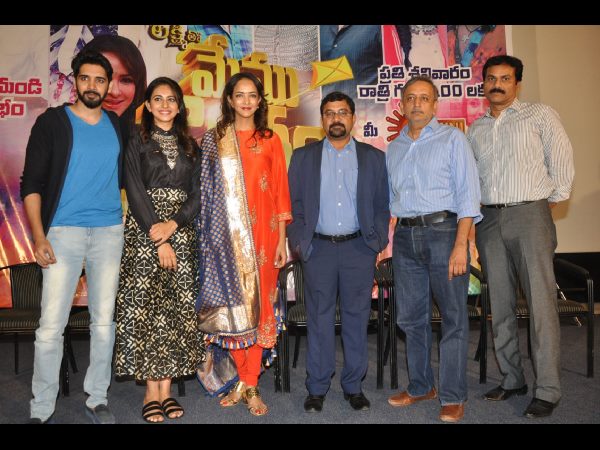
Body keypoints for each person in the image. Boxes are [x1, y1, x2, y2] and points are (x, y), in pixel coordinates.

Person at [467, 55, 575, 419]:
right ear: (484, 84)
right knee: (500, 305)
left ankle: (548, 389)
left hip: (530, 214)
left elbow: (562, 163)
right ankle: (512, 378)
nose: (497, 84)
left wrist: (542, 204)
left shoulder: (540, 115)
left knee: (541, 306)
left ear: (517, 84)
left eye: (505, 78)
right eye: (491, 78)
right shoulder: (476, 128)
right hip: (489, 220)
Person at [21, 50, 124, 424]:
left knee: (104, 322)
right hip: (62, 233)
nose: (92, 85)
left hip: (109, 232)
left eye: (100, 79)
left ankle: (97, 398)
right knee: (51, 325)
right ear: (74, 81)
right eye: (86, 78)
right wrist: (39, 236)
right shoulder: (52, 122)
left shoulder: (117, 124)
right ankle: (41, 407)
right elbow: (31, 184)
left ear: (108, 85)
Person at [386, 75, 481, 423]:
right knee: (411, 318)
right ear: (401, 104)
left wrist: (461, 245)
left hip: (445, 233)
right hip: (405, 237)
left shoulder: (453, 139)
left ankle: (453, 396)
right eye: (411, 98)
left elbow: (469, 196)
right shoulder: (394, 148)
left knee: (453, 318)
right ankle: (421, 385)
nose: (417, 104)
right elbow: (391, 199)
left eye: (424, 98)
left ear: (435, 105)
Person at [287, 91, 390, 413]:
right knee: (319, 319)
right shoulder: (303, 157)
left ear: (352, 118)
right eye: (330, 113)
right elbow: (294, 206)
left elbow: (382, 206)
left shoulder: (373, 158)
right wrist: (300, 242)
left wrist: (376, 242)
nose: (336, 118)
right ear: (322, 119)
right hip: (318, 249)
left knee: (356, 319)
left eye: (342, 112)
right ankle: (317, 387)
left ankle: (353, 386)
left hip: (359, 249)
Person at [196, 72, 291, 417]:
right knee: (234, 308)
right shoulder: (214, 140)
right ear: (229, 100)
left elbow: (280, 191)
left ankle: (250, 384)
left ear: (260, 100)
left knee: (260, 308)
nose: (247, 101)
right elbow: (205, 195)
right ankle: (243, 381)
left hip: (265, 238)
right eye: (240, 95)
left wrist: (282, 240)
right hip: (225, 240)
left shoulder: (270, 139)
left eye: (253, 95)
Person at [113, 77, 205, 423]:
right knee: (147, 311)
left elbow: (198, 194)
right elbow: (134, 188)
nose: (165, 105)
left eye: (171, 99)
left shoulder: (191, 147)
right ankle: (150, 392)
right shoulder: (136, 141)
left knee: (176, 311)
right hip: (145, 233)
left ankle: (166, 391)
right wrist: (160, 237)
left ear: (179, 107)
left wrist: (175, 225)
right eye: (158, 99)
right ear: (148, 106)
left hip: (181, 233)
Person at [80, 34, 147, 146]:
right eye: (103, 79)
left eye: (126, 80)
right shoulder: (57, 128)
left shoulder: (147, 137)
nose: (115, 92)